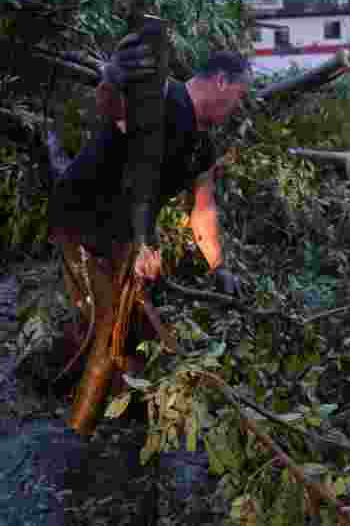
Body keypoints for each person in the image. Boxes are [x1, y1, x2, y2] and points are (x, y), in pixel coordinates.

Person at [47, 37, 251, 436]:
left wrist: (219, 267)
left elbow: (203, 208)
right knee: (107, 326)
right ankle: (76, 429)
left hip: (125, 234)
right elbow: (112, 108)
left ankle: (121, 410)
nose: (237, 108)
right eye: (239, 96)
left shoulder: (202, 146)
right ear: (222, 82)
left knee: (132, 322)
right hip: (82, 219)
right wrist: (111, 77)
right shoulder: (160, 96)